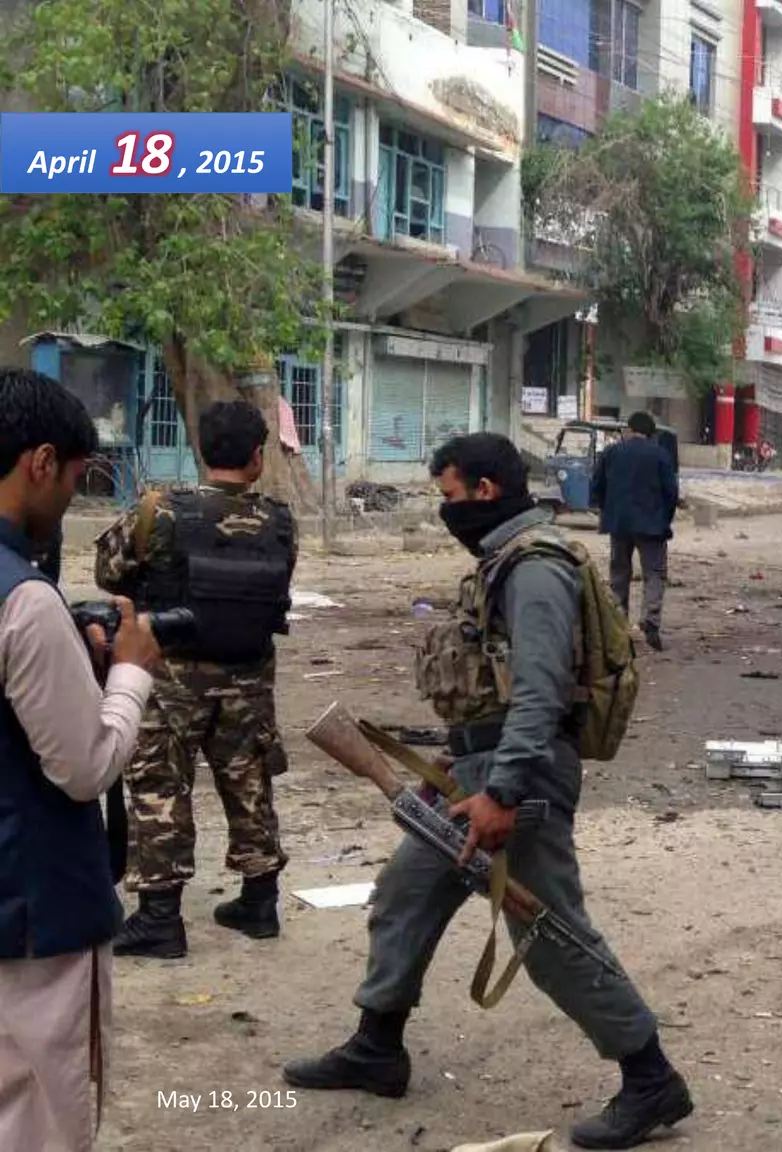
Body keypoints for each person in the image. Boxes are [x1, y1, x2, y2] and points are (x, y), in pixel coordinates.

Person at [282, 433, 690, 1150]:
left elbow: (539, 692)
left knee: (550, 931)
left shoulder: (535, 568)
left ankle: (650, 1077)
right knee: (404, 895)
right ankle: (378, 1046)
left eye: (448, 496)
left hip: (516, 776)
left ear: (485, 491)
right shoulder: (508, 558)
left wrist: (503, 792)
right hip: (476, 771)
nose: (445, 512)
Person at [0, 368, 162, 1151]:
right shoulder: (24, 602)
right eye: (71, 476)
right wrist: (130, 673)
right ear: (38, 463)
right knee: (40, 1121)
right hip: (33, 918)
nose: (70, 497)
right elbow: (84, 767)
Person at [90, 400, 296, 960]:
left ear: (201, 451)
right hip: (249, 675)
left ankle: (160, 919)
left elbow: (108, 570)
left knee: (159, 787)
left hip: (173, 674)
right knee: (249, 781)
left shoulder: (159, 510)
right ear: (257, 458)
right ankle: (260, 902)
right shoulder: (279, 521)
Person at [590, 412, 677, 653]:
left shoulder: (611, 452)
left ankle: (618, 625)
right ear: (651, 433)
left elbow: (597, 486)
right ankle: (650, 623)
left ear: (629, 429)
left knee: (619, 573)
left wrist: (605, 511)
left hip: (618, 524)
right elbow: (671, 493)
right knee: (655, 574)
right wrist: (665, 521)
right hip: (652, 525)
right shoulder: (660, 454)